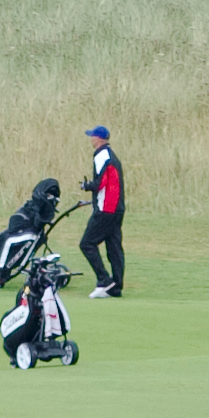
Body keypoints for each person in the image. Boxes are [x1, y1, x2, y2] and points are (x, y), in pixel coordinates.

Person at [80, 127, 126, 297]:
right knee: (114, 247)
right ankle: (116, 286)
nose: (91, 139)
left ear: (98, 139)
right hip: (117, 207)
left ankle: (104, 281)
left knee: (87, 243)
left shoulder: (101, 155)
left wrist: (87, 186)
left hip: (106, 208)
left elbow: (100, 183)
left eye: (92, 136)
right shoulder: (111, 155)